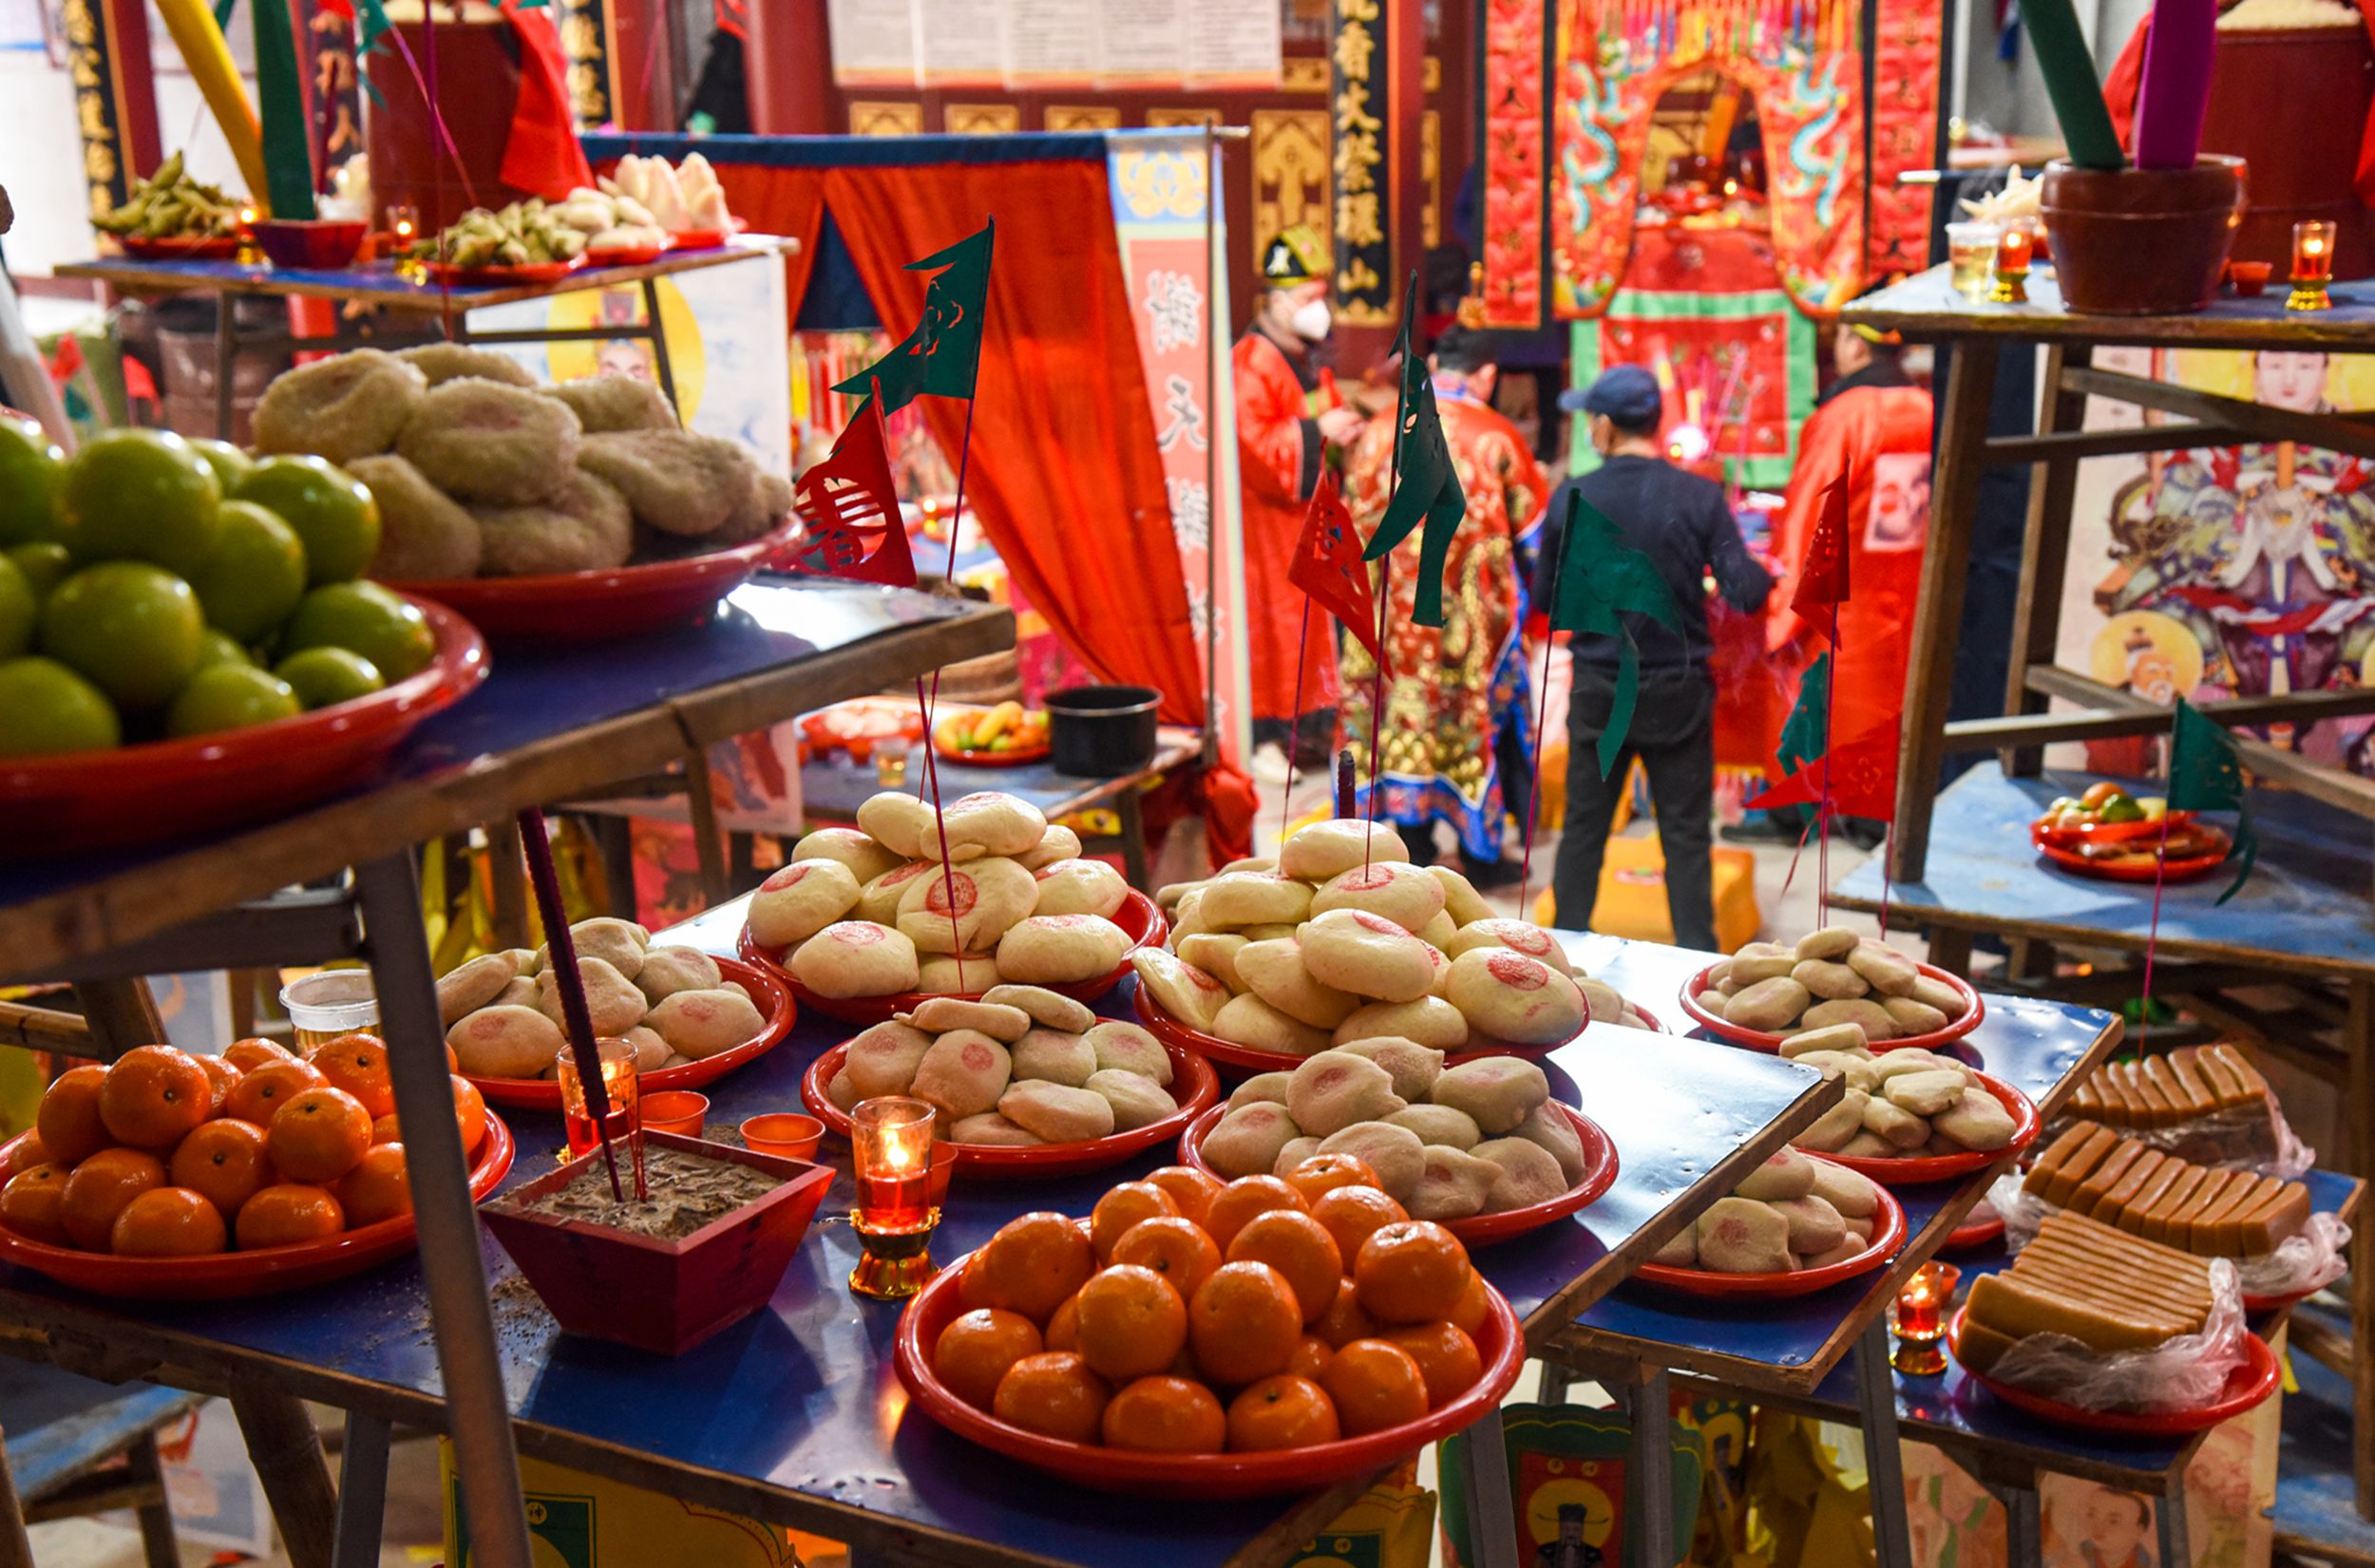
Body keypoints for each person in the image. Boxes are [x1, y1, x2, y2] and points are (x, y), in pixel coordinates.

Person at [1536, 364, 1773, 949]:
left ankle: (1564, 953)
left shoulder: (1573, 495)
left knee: (1585, 829)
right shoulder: (1699, 496)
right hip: (1678, 689)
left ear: (1606, 426)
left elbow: (1545, 598)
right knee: (1686, 835)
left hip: (1600, 687)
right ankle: (1695, 963)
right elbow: (1745, 591)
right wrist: (1769, 573)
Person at [1338, 322, 1548, 883]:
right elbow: (1535, 536)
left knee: (1397, 719)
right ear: (1487, 375)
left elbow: (1348, 521)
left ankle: (1409, 847)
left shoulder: (1379, 431)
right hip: (1467, 626)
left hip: (1388, 622)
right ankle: (1480, 856)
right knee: (1471, 722)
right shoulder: (1496, 436)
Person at [1754, 309, 1933, 848]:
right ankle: (1874, 812)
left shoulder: (1845, 416)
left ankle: (1801, 810)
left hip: (1843, 596)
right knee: (1892, 696)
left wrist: (1783, 601)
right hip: (1909, 583)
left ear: (1855, 344)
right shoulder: (1929, 407)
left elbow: (1810, 516)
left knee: (1820, 695)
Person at [1235, 225, 1365, 780]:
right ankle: (1262, 736)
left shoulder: (1305, 357)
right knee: (1273, 630)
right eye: (1310, 297)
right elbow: (1257, 450)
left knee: (1311, 628)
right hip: (1267, 525)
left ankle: (1306, 730)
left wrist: (1343, 432)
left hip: (1309, 521)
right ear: (1279, 300)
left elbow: (1323, 414)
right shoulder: (1251, 363)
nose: (1319, 309)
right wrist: (1317, 432)